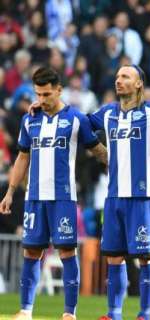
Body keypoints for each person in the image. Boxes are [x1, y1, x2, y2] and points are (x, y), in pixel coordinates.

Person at [0, 67, 107, 320]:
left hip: (63, 198)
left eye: (47, 94)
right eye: (38, 93)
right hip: (34, 198)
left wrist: (117, 164)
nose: (42, 99)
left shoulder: (76, 119)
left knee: (67, 252)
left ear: (59, 90)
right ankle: (26, 310)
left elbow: (96, 149)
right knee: (31, 252)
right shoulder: (30, 119)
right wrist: (10, 192)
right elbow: (22, 157)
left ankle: (69, 313)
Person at [91, 65, 150, 320]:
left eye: (125, 76)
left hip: (142, 196)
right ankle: (113, 314)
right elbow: (77, 124)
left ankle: (144, 315)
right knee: (114, 258)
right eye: (117, 77)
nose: (119, 80)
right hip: (113, 197)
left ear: (139, 84)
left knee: (146, 258)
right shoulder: (106, 113)